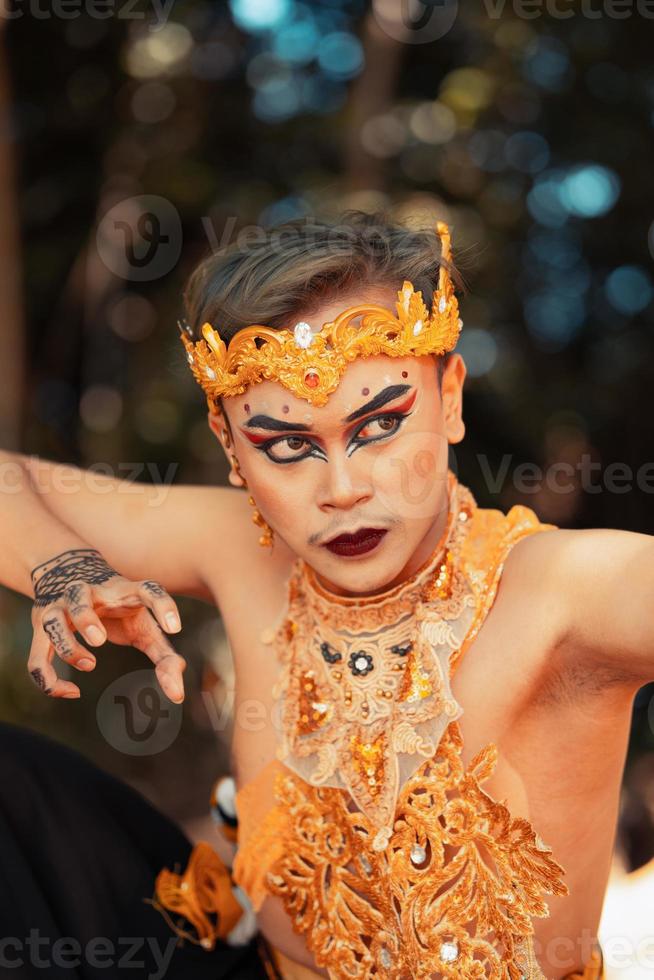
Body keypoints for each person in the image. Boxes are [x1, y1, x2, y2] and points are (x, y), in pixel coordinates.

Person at [0, 210, 648, 978]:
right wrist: (64, 569)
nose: (340, 490)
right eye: (287, 447)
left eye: (378, 427)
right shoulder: (239, 548)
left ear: (453, 396)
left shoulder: (568, 591)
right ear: (231, 449)